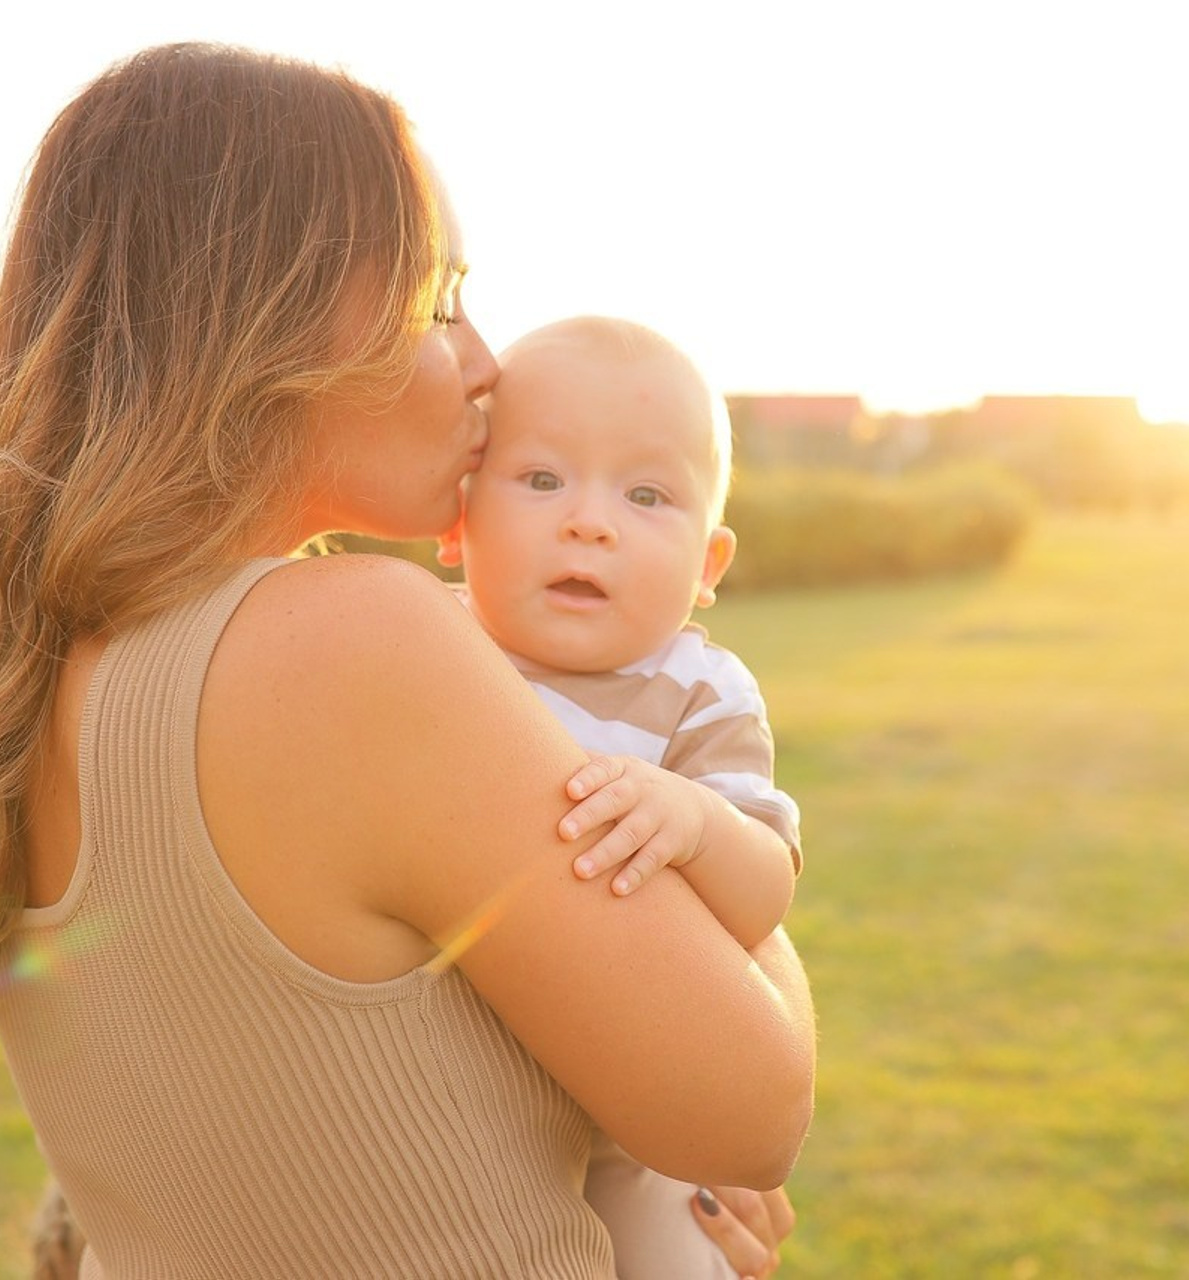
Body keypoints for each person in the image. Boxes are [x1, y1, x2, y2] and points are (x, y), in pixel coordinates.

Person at [0, 42, 814, 1280]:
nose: (485, 363)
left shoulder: (39, 663)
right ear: (266, 315)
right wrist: (720, 857)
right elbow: (748, 1111)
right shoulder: (357, 639)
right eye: (439, 300)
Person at [435, 315, 803, 1279]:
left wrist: (698, 823)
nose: (589, 522)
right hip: (456, 1099)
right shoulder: (430, 648)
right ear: (458, 520)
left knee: (680, 1254)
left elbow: (764, 897)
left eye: (646, 495)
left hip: (639, 1112)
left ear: (708, 566)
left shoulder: (700, 692)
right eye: (542, 479)